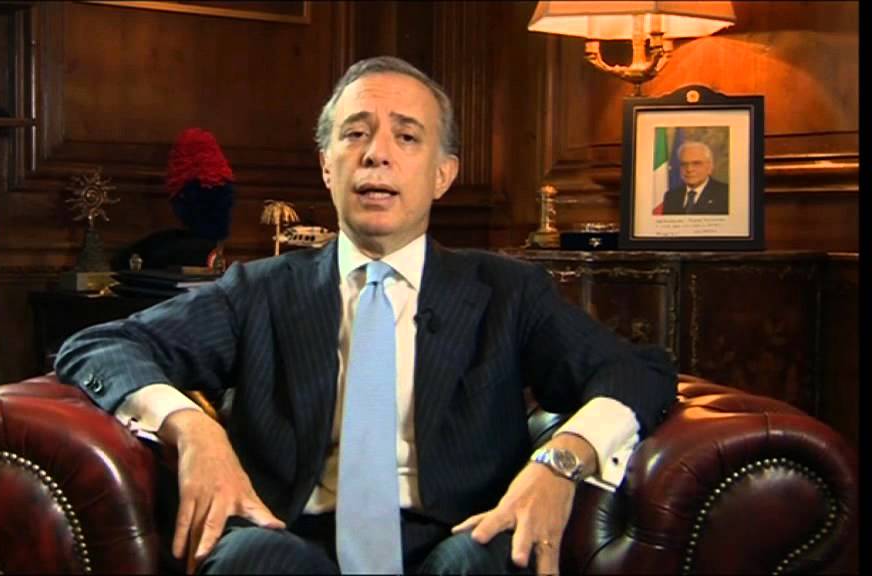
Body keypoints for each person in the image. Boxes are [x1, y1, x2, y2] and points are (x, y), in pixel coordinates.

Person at [56, 56, 677, 575]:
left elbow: (638, 373)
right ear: (327, 165)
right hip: (291, 535)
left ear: (443, 175)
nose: (376, 154)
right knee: (252, 560)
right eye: (355, 134)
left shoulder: (507, 292)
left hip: (459, 536)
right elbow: (99, 347)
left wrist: (560, 460)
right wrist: (193, 429)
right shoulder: (258, 290)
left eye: (406, 137)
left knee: (484, 558)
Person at [661, 140, 729, 215]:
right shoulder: (671, 196)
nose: (689, 169)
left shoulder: (726, 194)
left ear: (710, 167)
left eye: (696, 163)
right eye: (684, 164)